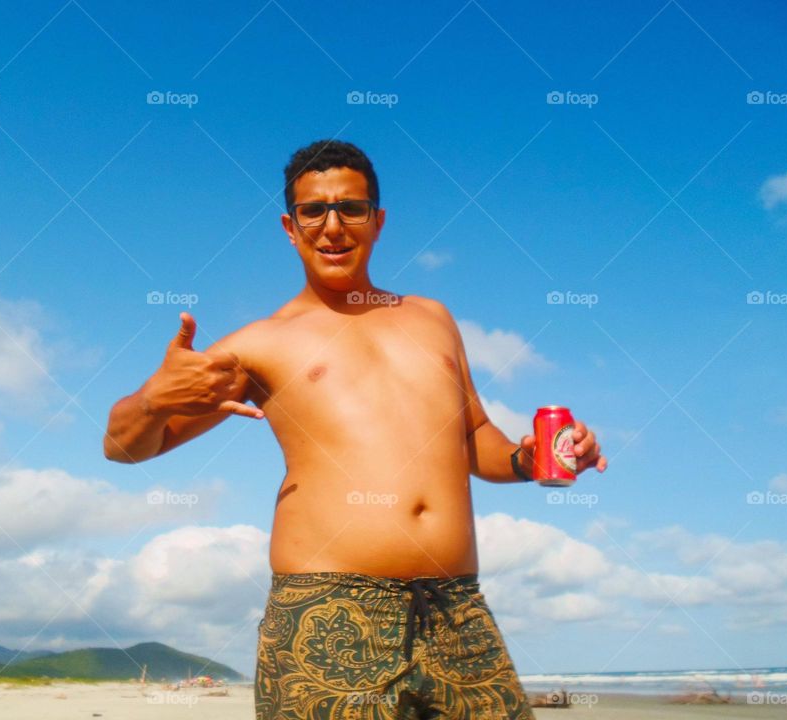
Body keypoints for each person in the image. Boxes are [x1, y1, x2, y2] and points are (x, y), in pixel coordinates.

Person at [104, 140, 607, 719]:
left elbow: (475, 440)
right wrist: (151, 400)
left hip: (456, 609)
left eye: (352, 207)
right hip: (328, 607)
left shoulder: (434, 319)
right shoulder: (261, 342)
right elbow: (123, 447)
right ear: (291, 228)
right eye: (314, 210)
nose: (333, 224)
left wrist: (528, 458)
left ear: (378, 221)